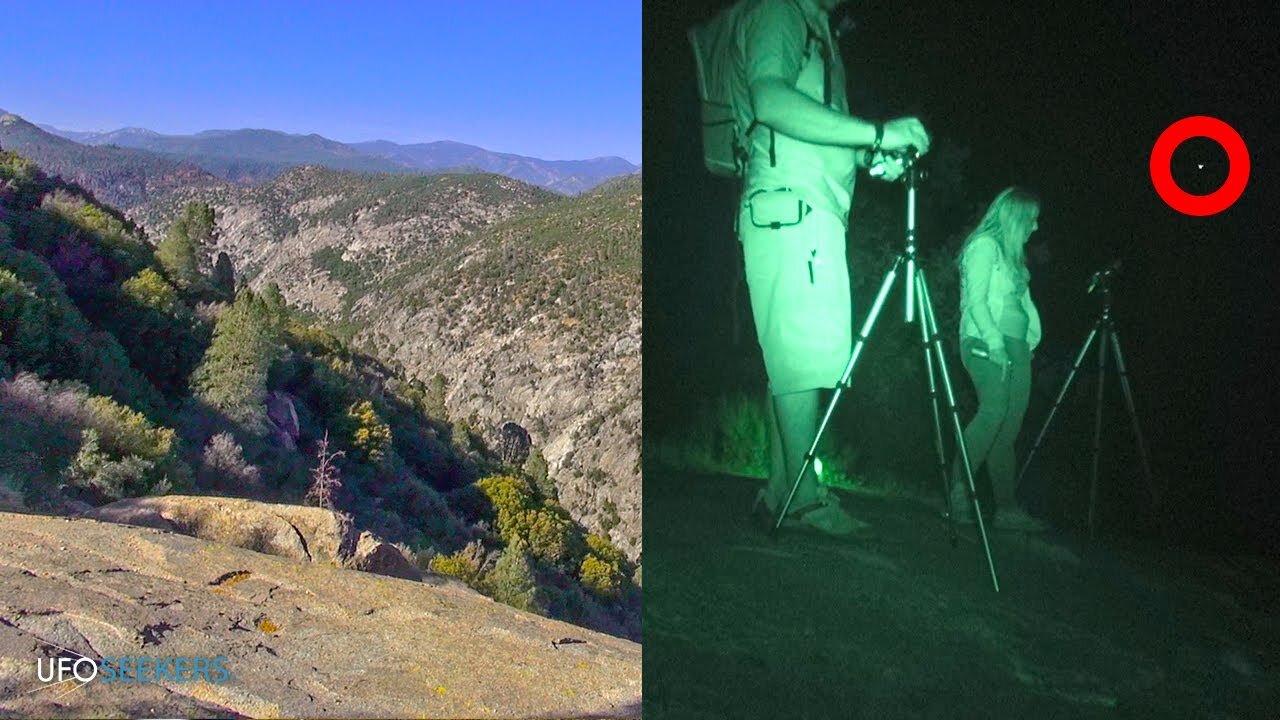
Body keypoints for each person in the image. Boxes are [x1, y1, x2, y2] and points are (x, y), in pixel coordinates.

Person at [732, 0, 931, 535]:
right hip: (790, 206)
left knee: (792, 359)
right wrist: (877, 134)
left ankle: (781, 490)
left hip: (806, 208)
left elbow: (818, 127)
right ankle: (804, 499)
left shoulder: (820, 32)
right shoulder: (780, 12)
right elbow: (769, 100)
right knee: (801, 352)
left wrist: (871, 160)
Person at [949, 187, 1048, 532]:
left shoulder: (1012, 256)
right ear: (1015, 217)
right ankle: (959, 490)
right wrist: (995, 343)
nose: (1035, 227)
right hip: (985, 340)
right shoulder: (983, 247)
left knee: (1008, 428)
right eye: (1031, 219)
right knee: (993, 411)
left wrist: (1027, 344)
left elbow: (1024, 307)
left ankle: (1006, 509)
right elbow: (976, 302)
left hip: (1018, 347)